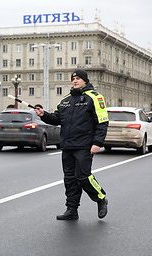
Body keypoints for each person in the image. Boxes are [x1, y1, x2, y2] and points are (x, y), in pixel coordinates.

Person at [34, 69, 109, 220]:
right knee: (69, 178)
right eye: (73, 79)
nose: (75, 81)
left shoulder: (94, 97)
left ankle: (101, 198)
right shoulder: (65, 100)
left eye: (79, 78)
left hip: (84, 145)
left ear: (85, 81)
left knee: (83, 177)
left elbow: (102, 122)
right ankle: (72, 210)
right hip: (68, 145)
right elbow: (56, 119)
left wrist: (97, 142)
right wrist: (44, 115)